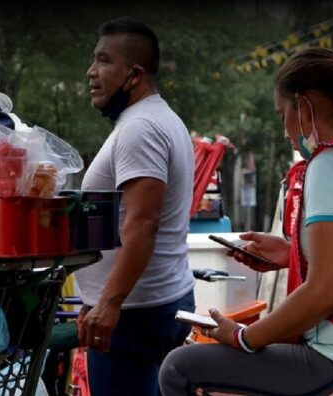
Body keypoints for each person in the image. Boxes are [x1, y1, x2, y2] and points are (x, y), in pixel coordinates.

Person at [159, 48, 333, 395]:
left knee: (180, 368)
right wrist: (291, 253)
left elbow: (325, 292)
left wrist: (244, 335)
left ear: (305, 106)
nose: (284, 131)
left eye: (283, 115)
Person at [75, 17, 195, 396]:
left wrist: (109, 302)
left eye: (103, 61)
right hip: (137, 306)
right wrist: (95, 296)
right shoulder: (146, 120)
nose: (91, 72)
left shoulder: (140, 128)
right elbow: (113, 214)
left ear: (134, 74)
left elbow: (143, 223)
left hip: (134, 315)